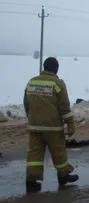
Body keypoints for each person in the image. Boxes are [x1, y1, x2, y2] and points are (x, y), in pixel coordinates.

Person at [23, 57, 78, 194]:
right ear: (56, 69)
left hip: (34, 126)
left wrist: (32, 118)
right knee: (58, 152)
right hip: (52, 127)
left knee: (34, 154)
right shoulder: (57, 83)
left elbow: (26, 103)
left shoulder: (32, 81)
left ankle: (31, 181)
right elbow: (64, 106)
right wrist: (70, 124)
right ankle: (63, 176)